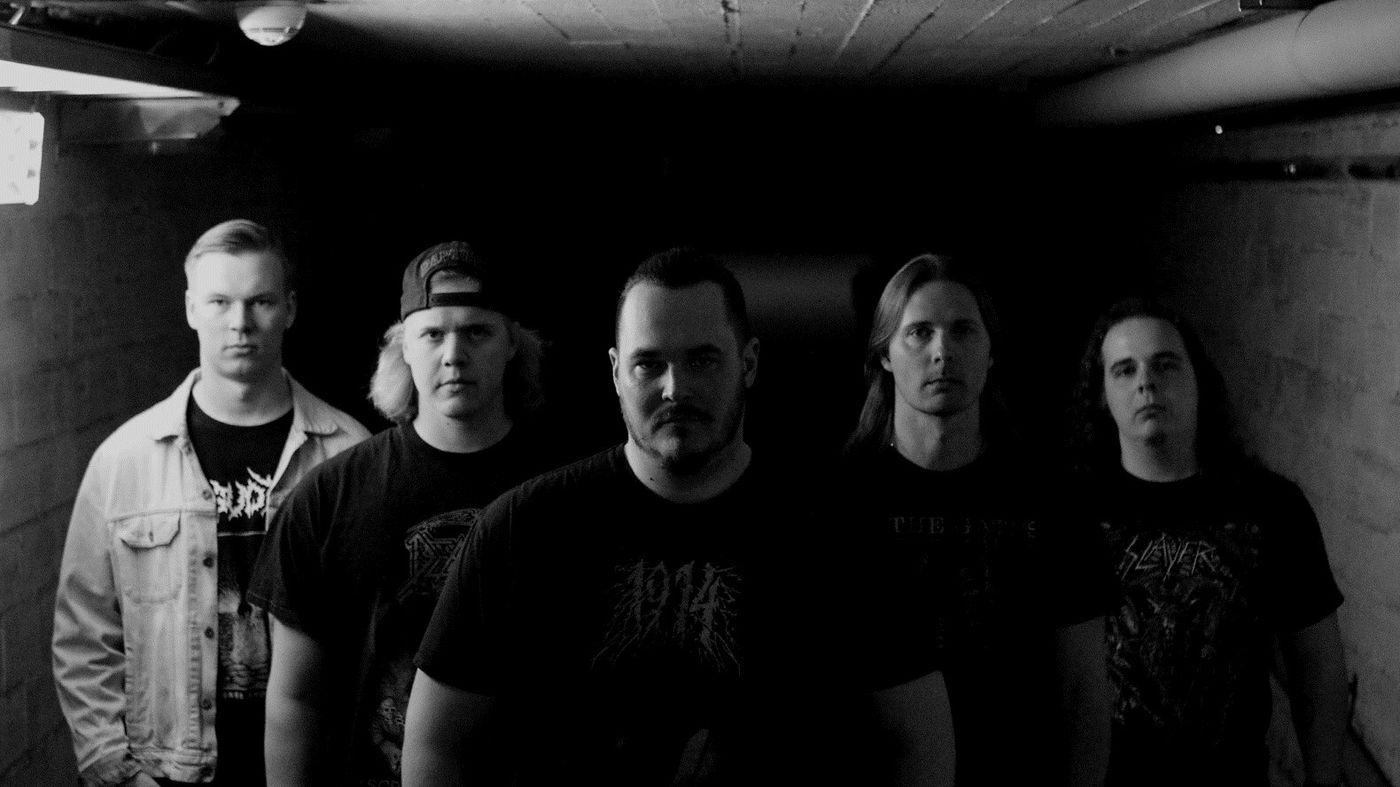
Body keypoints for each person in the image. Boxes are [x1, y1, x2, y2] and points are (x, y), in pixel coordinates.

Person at [401, 248, 955, 785]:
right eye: (649, 363)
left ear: (749, 363)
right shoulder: (524, 529)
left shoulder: (837, 533)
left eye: (703, 359)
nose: (675, 388)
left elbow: (920, 740)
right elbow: (436, 745)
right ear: (615, 372)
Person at [52, 219, 369, 786]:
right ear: (191, 308)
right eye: (220, 301)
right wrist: (116, 771)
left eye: (260, 301)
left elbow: (380, 635)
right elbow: (84, 639)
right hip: (166, 770)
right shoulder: (124, 460)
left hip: (312, 768)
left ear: (290, 309)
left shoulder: (348, 455)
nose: (240, 323)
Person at [248, 241, 559, 785]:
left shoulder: (566, 492)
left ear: (512, 343)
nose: (453, 354)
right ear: (404, 348)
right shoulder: (327, 499)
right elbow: (296, 701)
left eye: (477, 332)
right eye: (433, 334)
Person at [842, 253, 1111, 786]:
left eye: (963, 330)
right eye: (919, 332)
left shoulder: (1050, 496)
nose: (943, 350)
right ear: (885, 355)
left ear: (991, 353)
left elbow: (1083, 691)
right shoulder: (845, 502)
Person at [1068, 297, 1348, 787]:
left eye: (1165, 364)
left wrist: (1323, 780)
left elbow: (1318, 667)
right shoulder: (1075, 514)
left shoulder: (1271, 506)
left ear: (1199, 378)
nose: (1146, 383)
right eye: (1124, 370)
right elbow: (1065, 684)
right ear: (1101, 396)